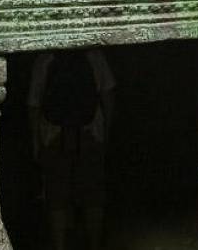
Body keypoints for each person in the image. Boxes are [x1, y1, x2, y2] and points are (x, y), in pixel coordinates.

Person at [28, 48, 116, 250]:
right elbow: (108, 95)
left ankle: (60, 246)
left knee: (56, 196)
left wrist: (36, 142)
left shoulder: (44, 59)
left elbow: (34, 104)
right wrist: (107, 133)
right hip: (90, 132)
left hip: (53, 135)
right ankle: (95, 245)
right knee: (93, 194)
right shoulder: (94, 56)